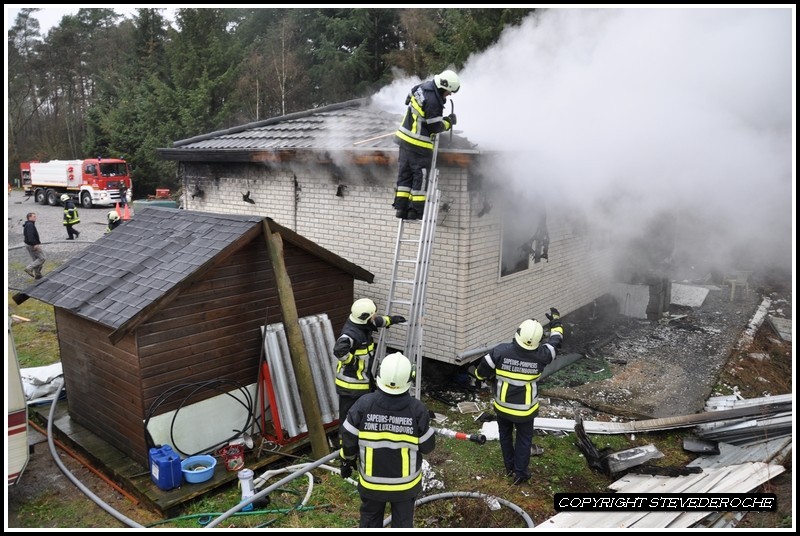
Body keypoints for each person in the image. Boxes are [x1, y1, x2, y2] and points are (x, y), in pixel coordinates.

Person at [339, 352, 435, 528]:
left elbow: (348, 437)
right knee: (403, 524)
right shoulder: (418, 410)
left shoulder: (363, 404)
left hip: (372, 485)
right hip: (405, 487)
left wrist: (347, 461)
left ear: (380, 374)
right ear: (410, 377)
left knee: (369, 522)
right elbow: (428, 446)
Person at [472, 308, 564, 485]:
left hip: (503, 408)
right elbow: (556, 341)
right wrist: (556, 322)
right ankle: (520, 474)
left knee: (505, 437)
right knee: (523, 440)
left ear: (518, 332)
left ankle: (509, 469)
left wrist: (479, 378)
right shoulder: (543, 355)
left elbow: (481, 372)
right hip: (526, 411)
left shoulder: (500, 351)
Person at [333, 298, 405, 442]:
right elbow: (339, 350)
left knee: (365, 412)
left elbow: (376, 322)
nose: (374, 317)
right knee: (349, 416)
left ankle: (361, 438)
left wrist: (391, 320)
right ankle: (344, 445)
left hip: (363, 380)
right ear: (365, 318)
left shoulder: (362, 323)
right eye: (373, 315)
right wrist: (352, 361)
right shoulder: (352, 333)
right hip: (351, 385)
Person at [393, 69, 460, 220]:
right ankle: (415, 211)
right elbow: (435, 127)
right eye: (449, 92)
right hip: (418, 145)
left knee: (405, 175)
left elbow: (408, 99)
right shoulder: (434, 101)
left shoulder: (421, 87)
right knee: (420, 177)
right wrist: (448, 122)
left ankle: (401, 209)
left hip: (404, 140)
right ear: (443, 87)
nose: (449, 95)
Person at [23, 212, 45, 280]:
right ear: (29, 217)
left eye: (35, 216)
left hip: (28, 244)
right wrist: (34, 244)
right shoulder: (30, 225)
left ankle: (37, 275)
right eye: (34, 216)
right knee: (42, 258)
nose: (35, 218)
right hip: (32, 245)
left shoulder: (29, 224)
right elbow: (30, 236)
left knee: (36, 260)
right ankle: (29, 268)